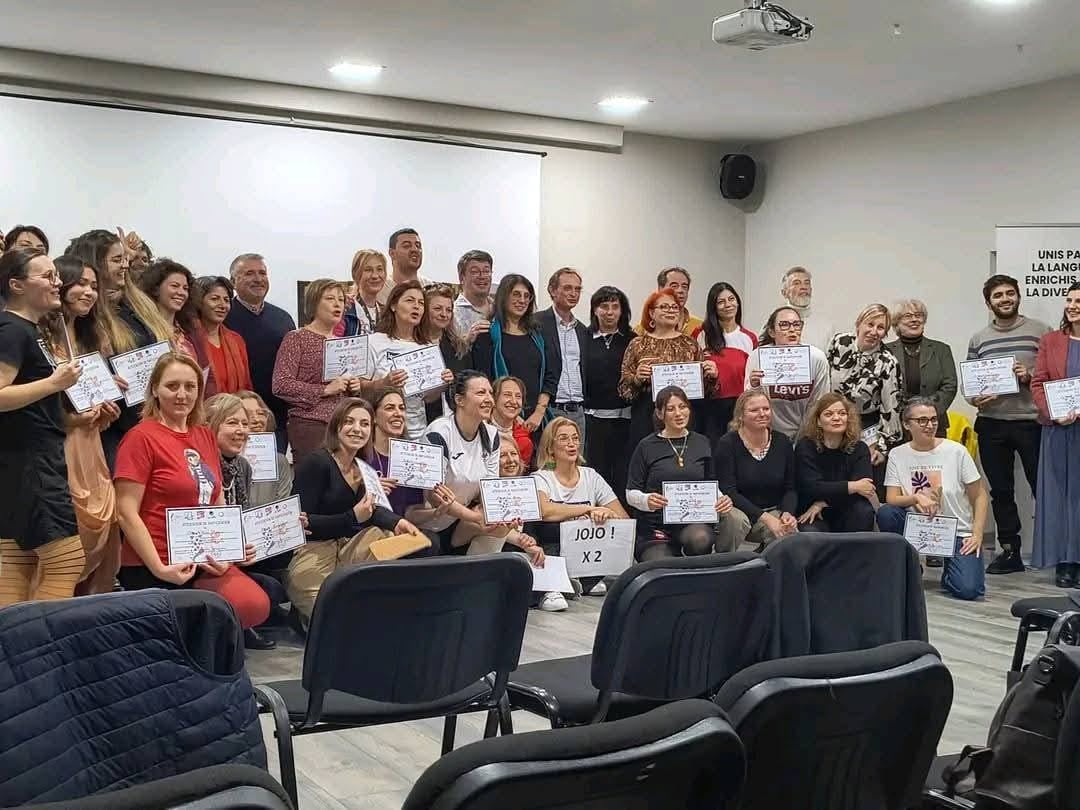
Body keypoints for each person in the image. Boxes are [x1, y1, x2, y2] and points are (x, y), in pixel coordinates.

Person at [113, 352, 270, 628]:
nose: (182, 395)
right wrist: (160, 568)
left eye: (190, 386)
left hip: (203, 558)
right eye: (172, 386)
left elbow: (217, 499)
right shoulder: (140, 437)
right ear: (155, 389)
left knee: (255, 605)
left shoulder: (204, 435)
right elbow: (126, 512)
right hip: (156, 562)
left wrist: (227, 552)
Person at [288, 397, 424, 626]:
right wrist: (351, 517)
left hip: (346, 546)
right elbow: (301, 522)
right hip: (313, 549)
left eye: (364, 424)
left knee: (386, 535)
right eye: (349, 422)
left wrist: (397, 522)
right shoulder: (317, 462)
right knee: (332, 617)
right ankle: (302, 612)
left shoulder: (362, 467)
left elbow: (372, 509)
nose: (357, 429)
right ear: (336, 426)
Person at [0, 249, 85, 605]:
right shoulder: (12, 330)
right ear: (16, 285)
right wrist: (54, 383)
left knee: (15, 561)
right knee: (66, 560)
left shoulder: (26, 330)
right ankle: (43, 636)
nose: (57, 283)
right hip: (31, 461)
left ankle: (13, 638)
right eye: (47, 276)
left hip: (25, 460)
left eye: (56, 275)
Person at [42, 255, 122, 595]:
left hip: (91, 444)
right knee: (65, 541)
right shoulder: (39, 337)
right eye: (81, 283)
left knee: (106, 534)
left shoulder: (93, 338)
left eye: (94, 286)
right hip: (56, 447)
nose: (89, 292)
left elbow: (90, 403)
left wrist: (107, 405)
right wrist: (73, 419)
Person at [966, 274, 1052, 575]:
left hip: (1032, 422)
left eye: (1009, 293)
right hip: (991, 423)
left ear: (1018, 296)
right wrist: (975, 398)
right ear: (988, 302)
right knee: (1001, 491)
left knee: (1044, 489)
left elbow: (1054, 376)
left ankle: (1057, 552)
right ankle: (1010, 550)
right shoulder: (979, 338)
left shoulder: (1041, 331)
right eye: (998, 295)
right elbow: (970, 386)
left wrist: (1029, 376)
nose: (1005, 299)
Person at [65, 229, 173, 467]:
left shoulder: (136, 304)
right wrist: (104, 383)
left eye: (125, 259)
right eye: (117, 259)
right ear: (96, 264)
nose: (125, 265)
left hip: (151, 419)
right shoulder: (85, 317)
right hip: (112, 430)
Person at [878, 398, 990, 601]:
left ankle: (951, 573)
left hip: (956, 530)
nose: (929, 425)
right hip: (917, 527)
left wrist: (977, 534)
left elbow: (980, 495)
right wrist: (915, 497)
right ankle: (909, 565)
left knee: (969, 590)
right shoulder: (897, 454)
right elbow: (892, 499)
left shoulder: (956, 451)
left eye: (933, 419)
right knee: (886, 513)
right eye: (922, 420)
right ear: (906, 424)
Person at [625, 385, 740, 561]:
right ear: (660, 414)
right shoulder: (646, 446)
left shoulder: (702, 442)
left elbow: (710, 483)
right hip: (655, 525)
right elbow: (630, 493)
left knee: (701, 539)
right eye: (671, 409)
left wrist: (721, 498)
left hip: (691, 521)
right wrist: (646, 500)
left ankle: (695, 569)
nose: (678, 414)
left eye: (682, 407)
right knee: (661, 564)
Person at [203, 392, 278, 650]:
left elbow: (242, 518)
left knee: (272, 588)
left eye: (244, 424)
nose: (242, 430)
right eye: (232, 423)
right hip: (202, 559)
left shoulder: (242, 466)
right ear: (211, 425)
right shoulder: (200, 465)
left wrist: (242, 548)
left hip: (229, 558)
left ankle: (238, 629)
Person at [532, 417, 629, 610]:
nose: (571, 443)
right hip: (553, 549)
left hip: (587, 553)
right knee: (552, 528)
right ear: (550, 448)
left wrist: (605, 514)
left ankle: (581, 580)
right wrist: (588, 509)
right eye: (563, 438)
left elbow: (623, 519)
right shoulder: (541, 477)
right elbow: (545, 511)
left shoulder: (591, 475)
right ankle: (552, 587)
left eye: (575, 438)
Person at [407, 371, 503, 553]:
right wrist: (475, 517)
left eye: (491, 393)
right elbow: (435, 496)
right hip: (429, 524)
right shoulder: (438, 433)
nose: (489, 399)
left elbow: (491, 488)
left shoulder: (492, 435)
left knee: (501, 527)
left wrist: (498, 514)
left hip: (462, 520)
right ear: (459, 400)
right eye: (481, 393)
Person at [272, 279, 358, 466]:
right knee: (313, 478)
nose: (337, 304)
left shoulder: (344, 343)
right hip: (310, 424)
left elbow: (345, 387)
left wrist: (354, 386)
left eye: (341, 300)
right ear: (314, 303)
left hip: (344, 425)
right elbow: (281, 384)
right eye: (330, 298)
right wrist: (324, 390)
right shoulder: (297, 338)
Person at [618, 289, 716, 452]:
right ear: (651, 313)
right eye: (664, 307)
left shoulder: (690, 344)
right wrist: (637, 378)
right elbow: (623, 391)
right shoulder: (637, 344)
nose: (671, 311)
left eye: (674, 307)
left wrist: (711, 376)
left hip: (684, 416)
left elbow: (705, 392)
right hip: (647, 417)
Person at [1031, 282, 1080, 587]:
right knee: (1060, 498)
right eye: (1069, 300)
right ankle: (1065, 562)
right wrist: (1053, 413)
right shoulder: (1051, 340)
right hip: (1058, 430)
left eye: (1079, 301)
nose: (1072, 306)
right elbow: (1038, 383)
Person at [362, 280, 453, 439]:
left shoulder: (427, 348)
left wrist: (442, 384)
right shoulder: (374, 342)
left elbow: (427, 397)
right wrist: (384, 383)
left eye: (421, 303)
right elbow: (359, 388)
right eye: (410, 300)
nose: (416, 306)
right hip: (380, 432)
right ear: (393, 305)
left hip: (418, 431)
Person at [225, 253, 297, 452]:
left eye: (262, 273)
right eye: (249, 273)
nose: (258, 279)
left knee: (273, 467)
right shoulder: (223, 316)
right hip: (235, 417)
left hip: (276, 418)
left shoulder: (283, 318)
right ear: (233, 281)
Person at [470, 274, 559, 436]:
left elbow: (551, 374)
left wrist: (539, 412)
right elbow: (483, 379)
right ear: (504, 297)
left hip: (537, 419)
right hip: (500, 420)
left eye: (527, 296)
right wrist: (512, 415)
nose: (522, 300)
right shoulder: (486, 334)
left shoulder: (539, 334)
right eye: (516, 294)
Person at [826, 303, 903, 484]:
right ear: (859, 324)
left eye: (880, 327)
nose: (874, 331)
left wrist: (882, 447)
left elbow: (891, 408)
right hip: (832, 421)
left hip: (866, 427)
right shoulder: (839, 342)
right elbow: (823, 378)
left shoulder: (888, 362)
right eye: (870, 324)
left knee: (861, 482)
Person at [713, 389, 799, 550]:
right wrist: (765, 517)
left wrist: (788, 513)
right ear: (741, 415)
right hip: (737, 509)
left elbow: (791, 487)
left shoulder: (783, 442)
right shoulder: (727, 444)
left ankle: (769, 564)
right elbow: (729, 490)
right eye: (754, 410)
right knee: (735, 520)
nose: (762, 414)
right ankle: (724, 560)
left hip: (772, 509)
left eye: (766, 409)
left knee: (787, 530)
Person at [446, 437, 545, 565]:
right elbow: (494, 529)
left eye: (514, 453)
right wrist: (519, 539)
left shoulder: (526, 500)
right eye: (502, 455)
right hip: (469, 570)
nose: (510, 460)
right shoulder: (472, 502)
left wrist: (527, 541)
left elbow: (526, 539)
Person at [794, 393, 877, 532]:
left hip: (845, 507)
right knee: (811, 533)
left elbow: (865, 489)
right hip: (811, 510)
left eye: (842, 413)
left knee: (863, 512)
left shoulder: (859, 448)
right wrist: (852, 486)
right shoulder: (806, 446)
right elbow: (811, 487)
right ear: (818, 421)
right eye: (829, 414)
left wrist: (822, 502)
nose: (837, 418)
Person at [744, 306, 829, 441]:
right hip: (768, 432)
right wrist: (754, 386)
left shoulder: (817, 358)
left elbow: (819, 402)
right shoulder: (757, 357)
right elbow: (749, 403)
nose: (792, 329)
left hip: (806, 432)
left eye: (796, 324)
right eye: (784, 325)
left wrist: (803, 438)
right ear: (772, 332)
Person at [583, 286, 633, 507]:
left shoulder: (632, 339)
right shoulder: (583, 337)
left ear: (622, 311)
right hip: (592, 420)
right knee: (595, 473)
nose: (610, 312)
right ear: (595, 310)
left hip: (625, 420)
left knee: (622, 474)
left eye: (615, 307)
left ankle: (623, 520)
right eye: (604, 306)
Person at [138, 259, 216, 393]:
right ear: (156, 289)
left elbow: (207, 374)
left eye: (185, 288)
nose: (181, 292)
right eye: (175, 286)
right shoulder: (140, 331)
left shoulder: (191, 331)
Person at [884, 299, 957, 436]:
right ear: (896, 322)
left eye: (918, 315)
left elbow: (950, 385)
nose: (914, 319)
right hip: (897, 423)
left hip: (934, 423)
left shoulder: (942, 349)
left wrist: (926, 411)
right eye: (908, 316)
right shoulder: (885, 351)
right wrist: (904, 412)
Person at [700, 282, 757, 442]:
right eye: (721, 301)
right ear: (713, 307)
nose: (727, 305)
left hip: (740, 405)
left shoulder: (749, 337)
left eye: (731, 299)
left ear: (737, 302)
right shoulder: (701, 335)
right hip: (709, 407)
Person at [535, 267, 589, 438]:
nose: (573, 293)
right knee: (548, 455)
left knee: (575, 455)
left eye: (577, 289)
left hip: (578, 410)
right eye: (567, 288)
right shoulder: (537, 323)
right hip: (549, 408)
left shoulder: (582, 330)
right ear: (552, 290)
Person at [366, 387, 425, 520]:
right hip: (364, 527)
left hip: (399, 528)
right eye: (390, 408)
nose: (398, 413)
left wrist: (437, 512)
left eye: (402, 408)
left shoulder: (412, 457)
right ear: (373, 417)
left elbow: (410, 512)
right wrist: (370, 491)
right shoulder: (360, 455)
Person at [194, 276, 253, 394]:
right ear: (198, 302)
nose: (223, 305)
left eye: (226, 300)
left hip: (236, 404)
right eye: (215, 299)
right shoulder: (186, 340)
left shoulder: (236, 340)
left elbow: (247, 385)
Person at [236, 390, 293, 507]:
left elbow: (283, 506)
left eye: (260, 413)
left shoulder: (280, 461)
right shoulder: (224, 460)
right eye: (248, 414)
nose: (257, 420)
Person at [424, 282, 469, 423]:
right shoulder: (412, 344)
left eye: (448, 310)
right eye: (437, 309)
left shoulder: (459, 347)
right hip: (419, 418)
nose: (444, 314)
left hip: (454, 419)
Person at [779, 266, 834, 349]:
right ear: (784, 293)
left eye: (807, 283)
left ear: (811, 290)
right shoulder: (774, 325)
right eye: (796, 283)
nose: (803, 287)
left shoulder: (826, 326)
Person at [336, 249, 386, 337]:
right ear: (355, 274)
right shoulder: (345, 309)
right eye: (368, 270)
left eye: (379, 269)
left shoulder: (387, 313)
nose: (375, 276)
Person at [490, 375, 535, 468]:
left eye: (518, 396)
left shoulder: (525, 441)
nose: (514, 401)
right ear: (494, 398)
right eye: (507, 395)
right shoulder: (477, 428)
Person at [379, 228, 433, 303]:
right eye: (407, 246)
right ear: (392, 253)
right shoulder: (380, 289)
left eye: (418, 246)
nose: (415, 249)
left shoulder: (430, 288)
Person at [453, 249, 495, 345]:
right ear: (461, 278)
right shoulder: (452, 314)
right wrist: (467, 340)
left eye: (486, 271)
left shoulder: (499, 309)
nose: (482, 276)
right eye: (475, 272)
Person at [656, 267, 702, 337]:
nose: (680, 290)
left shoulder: (700, 327)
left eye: (684, 287)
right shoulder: (646, 327)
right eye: (674, 286)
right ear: (660, 289)